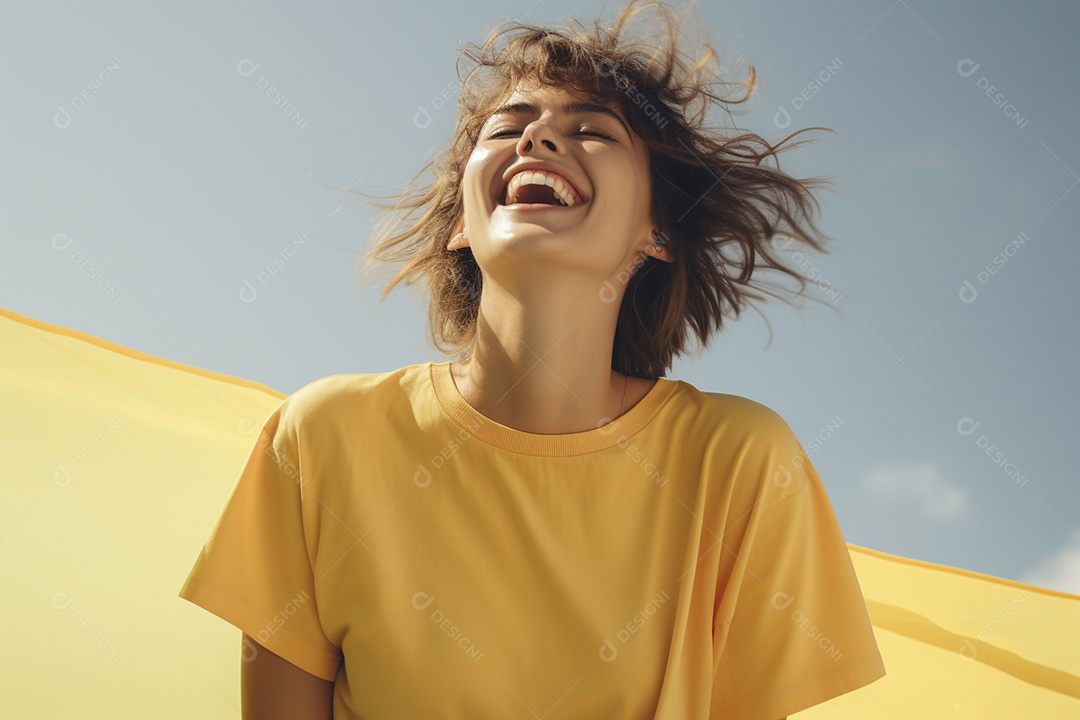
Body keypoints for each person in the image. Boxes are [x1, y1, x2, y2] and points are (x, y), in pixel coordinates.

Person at [178, 1, 886, 717]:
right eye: (509, 128)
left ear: (657, 232)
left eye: (591, 130)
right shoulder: (321, 436)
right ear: (460, 221)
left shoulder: (741, 463)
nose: (539, 137)